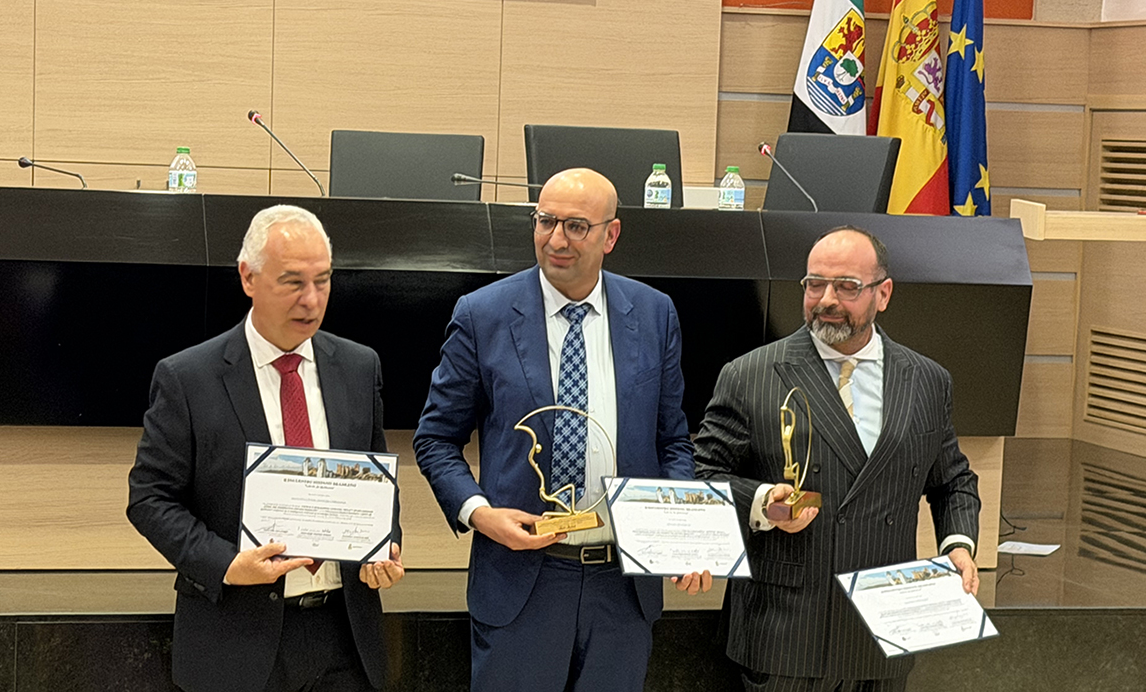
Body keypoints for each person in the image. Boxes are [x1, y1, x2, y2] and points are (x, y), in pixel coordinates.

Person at [413, 168, 710, 692]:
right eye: (546, 221)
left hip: (622, 583)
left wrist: (678, 534)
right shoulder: (482, 314)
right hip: (521, 578)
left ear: (610, 235)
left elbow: (672, 441)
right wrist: (479, 513)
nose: (556, 240)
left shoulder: (655, 314)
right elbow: (436, 438)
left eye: (576, 226)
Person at [127, 205, 403, 692]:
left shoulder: (360, 367)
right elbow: (149, 499)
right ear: (247, 277)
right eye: (293, 282)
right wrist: (226, 564)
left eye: (323, 280)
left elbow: (375, 478)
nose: (312, 300)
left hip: (344, 638)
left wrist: (385, 545)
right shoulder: (188, 378)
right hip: (233, 638)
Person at [694, 225, 980, 692]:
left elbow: (952, 481)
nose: (826, 299)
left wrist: (958, 546)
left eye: (847, 286)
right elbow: (703, 474)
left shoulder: (928, 380)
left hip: (882, 633)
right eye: (814, 284)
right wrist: (763, 501)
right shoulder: (750, 374)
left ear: (882, 293)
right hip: (785, 634)